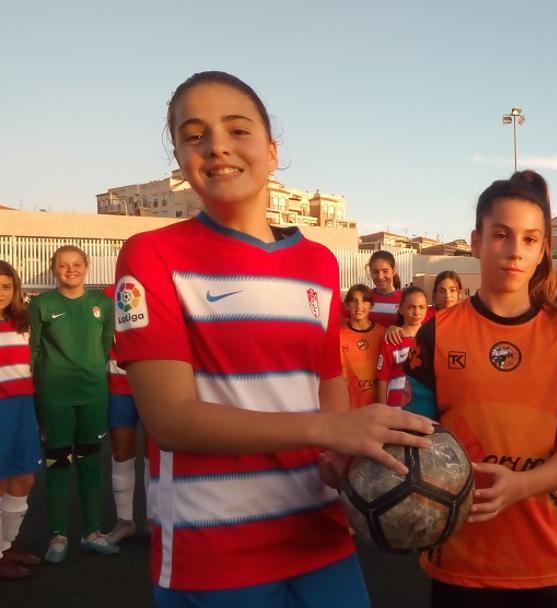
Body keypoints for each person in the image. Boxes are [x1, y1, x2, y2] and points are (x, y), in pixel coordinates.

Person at [113, 71, 433, 607]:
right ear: (179, 156)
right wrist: (331, 428)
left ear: (272, 148)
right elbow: (169, 420)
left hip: (319, 532)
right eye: (194, 135)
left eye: (237, 129)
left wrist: (339, 456)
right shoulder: (151, 255)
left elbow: (325, 380)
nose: (216, 145)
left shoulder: (318, 262)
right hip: (213, 552)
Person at [404, 170, 557, 608]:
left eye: (530, 239)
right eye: (501, 235)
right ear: (476, 242)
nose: (515, 251)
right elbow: (415, 439)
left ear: (544, 249)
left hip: (546, 558)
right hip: (459, 559)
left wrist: (521, 486)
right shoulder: (438, 333)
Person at [29, 245, 116, 562]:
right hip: (55, 399)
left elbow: (105, 345)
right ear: (54, 268)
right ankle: (58, 536)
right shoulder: (41, 304)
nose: (70, 270)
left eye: (76, 264)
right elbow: (34, 352)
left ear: (86, 266)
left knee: (92, 464)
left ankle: (92, 532)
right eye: (63, 265)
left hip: (92, 395)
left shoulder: (102, 304)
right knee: (58, 465)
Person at [0, 261, 42, 579]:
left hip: (23, 406)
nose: (0, 293)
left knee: (24, 478)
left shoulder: (21, 322)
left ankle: (6, 544)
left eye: (5, 287)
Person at [102, 284, 145, 545]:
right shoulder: (108, 295)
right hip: (119, 384)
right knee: (121, 454)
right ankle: (125, 521)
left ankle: (155, 519)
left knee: (158, 457)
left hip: (156, 384)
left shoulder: (164, 288)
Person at [377, 287, 427, 407]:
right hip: (396, 407)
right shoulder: (393, 339)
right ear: (401, 309)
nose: (416, 312)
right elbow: (382, 379)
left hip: (425, 407)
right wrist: (383, 410)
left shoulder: (431, 337)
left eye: (421, 307)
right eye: (411, 307)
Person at [339, 285, 385, 409]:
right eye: (354, 301)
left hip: (379, 408)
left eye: (364, 300)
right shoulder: (339, 336)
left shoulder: (383, 334)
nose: (359, 306)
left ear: (371, 305)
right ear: (346, 305)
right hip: (351, 409)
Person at [366, 250, 403, 327]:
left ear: (394, 271)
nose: (380, 277)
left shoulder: (405, 298)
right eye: (375, 272)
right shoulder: (365, 297)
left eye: (385, 271)